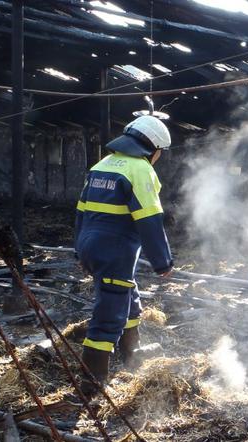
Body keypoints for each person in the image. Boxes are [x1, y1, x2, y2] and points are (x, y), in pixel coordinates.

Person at [74, 115, 174, 395]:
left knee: (127, 295)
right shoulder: (139, 169)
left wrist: (79, 251)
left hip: (90, 244)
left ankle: (131, 354)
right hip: (115, 250)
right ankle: (91, 385)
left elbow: (81, 212)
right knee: (109, 313)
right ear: (154, 148)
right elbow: (150, 219)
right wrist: (163, 263)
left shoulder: (100, 166)